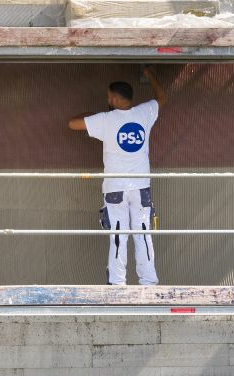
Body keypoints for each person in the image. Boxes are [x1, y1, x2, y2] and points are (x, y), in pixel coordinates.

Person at [68, 67, 166, 286]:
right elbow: (161, 97)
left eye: (108, 96)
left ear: (113, 98)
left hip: (115, 188)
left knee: (118, 236)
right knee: (143, 234)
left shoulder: (105, 119)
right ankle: (149, 282)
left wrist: (91, 115)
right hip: (141, 187)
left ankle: (117, 284)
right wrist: (150, 75)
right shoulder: (145, 112)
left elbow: (72, 124)